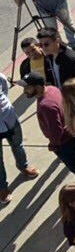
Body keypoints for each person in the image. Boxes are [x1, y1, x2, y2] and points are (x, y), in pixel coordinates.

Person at [21, 73, 75, 182]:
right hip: (72, 133)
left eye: (27, 87)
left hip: (64, 142)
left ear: (38, 87)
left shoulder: (45, 105)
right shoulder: (52, 89)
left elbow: (56, 131)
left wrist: (54, 145)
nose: (24, 91)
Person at [0, 73, 38, 204]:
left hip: (10, 119)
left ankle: (23, 166)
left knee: (18, 145)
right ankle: (2, 188)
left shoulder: (0, 77)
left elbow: (4, 89)